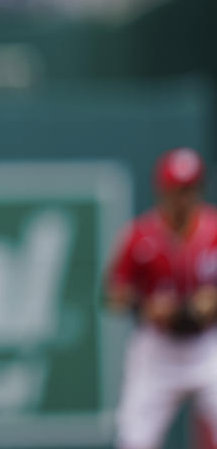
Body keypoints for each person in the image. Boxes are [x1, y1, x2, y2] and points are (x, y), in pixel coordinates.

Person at [106, 147, 217, 449]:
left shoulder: (214, 230)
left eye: (188, 189)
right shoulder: (140, 235)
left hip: (207, 345)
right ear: (162, 190)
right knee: (135, 440)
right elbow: (113, 294)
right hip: (158, 348)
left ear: (199, 189)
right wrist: (145, 306)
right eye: (175, 190)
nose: (181, 198)